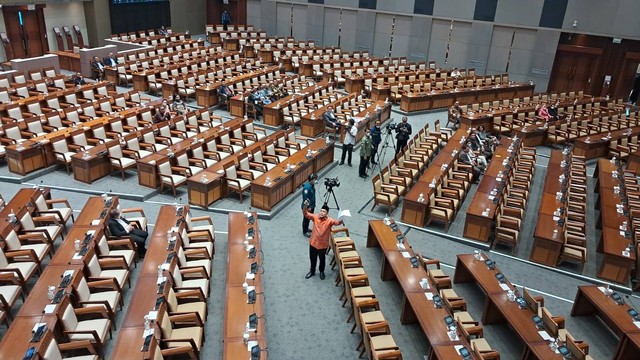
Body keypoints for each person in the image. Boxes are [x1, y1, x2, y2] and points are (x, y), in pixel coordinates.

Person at [302, 203, 343, 280]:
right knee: (312, 258)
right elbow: (306, 214)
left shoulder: (329, 220)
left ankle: (321, 271)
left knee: (322, 259)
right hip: (313, 243)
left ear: (327, 213)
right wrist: (305, 206)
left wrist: (342, 217)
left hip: (323, 245)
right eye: (321, 211)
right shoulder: (315, 217)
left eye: (323, 211)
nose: (321, 212)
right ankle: (312, 271)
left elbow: (337, 223)